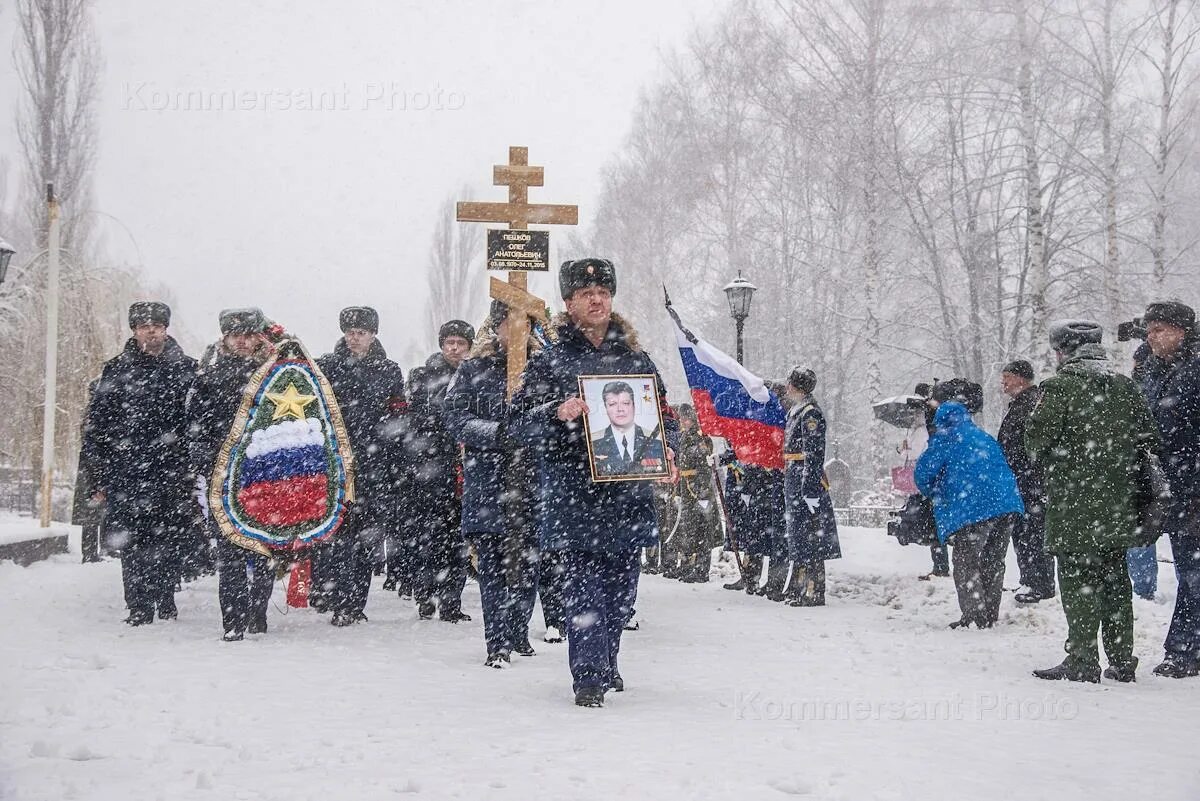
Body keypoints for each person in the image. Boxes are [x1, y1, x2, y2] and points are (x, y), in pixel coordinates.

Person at [510, 257, 678, 707]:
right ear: (569, 303)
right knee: (584, 590)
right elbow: (518, 421)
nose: (597, 299)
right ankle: (587, 676)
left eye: (603, 291)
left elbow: (664, 415)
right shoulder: (551, 359)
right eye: (586, 294)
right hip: (573, 495)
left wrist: (670, 452)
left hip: (628, 494)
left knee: (622, 594)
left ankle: (608, 660)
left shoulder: (636, 358)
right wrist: (555, 412)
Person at [1027, 320, 1158, 682]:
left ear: (1061, 352)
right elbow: (1150, 440)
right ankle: (1122, 661)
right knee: (1117, 581)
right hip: (1118, 506)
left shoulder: (1058, 388)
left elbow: (1036, 444)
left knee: (1078, 580)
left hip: (1074, 507)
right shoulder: (1126, 389)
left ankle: (1083, 660)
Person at [82, 302, 197, 625]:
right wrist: (99, 478)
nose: (151, 331)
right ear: (134, 330)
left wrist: (191, 467)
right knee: (132, 543)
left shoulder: (187, 369)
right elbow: (98, 428)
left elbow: (196, 422)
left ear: (166, 329)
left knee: (170, 540)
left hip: (172, 473)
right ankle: (138, 605)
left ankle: (165, 597)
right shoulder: (116, 371)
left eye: (157, 325)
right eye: (145, 325)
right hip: (126, 473)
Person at [443, 300, 540, 667]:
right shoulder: (473, 369)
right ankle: (497, 640)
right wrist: (497, 433)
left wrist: (532, 433)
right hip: (488, 481)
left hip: (533, 479)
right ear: (496, 327)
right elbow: (455, 417)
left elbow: (556, 416)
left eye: (523, 325)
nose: (515, 333)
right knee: (494, 564)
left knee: (530, 561)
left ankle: (519, 630)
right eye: (508, 325)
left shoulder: (543, 367)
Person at [186, 308, 277, 641]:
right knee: (229, 550)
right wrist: (208, 461)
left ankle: (258, 610)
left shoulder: (274, 371)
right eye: (236, 334)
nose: (243, 341)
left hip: (265, 475)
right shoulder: (208, 374)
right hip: (223, 475)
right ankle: (233, 619)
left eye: (250, 334)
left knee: (264, 547)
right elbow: (196, 424)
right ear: (224, 336)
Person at [315, 306, 408, 627]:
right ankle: (337, 598)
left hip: (374, 463)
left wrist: (393, 459)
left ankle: (356, 601)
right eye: (350, 332)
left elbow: (398, 417)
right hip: (337, 462)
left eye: (361, 333)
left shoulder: (388, 370)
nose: (354, 338)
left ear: (373, 335)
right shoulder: (326, 367)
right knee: (338, 534)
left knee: (367, 536)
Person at [915, 400, 1023, 630]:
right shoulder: (982, 436)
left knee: (966, 561)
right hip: (1007, 504)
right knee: (993, 560)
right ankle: (989, 614)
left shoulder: (945, 438)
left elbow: (923, 474)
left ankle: (974, 616)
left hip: (974, 508)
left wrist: (934, 493)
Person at [1136, 301, 1200, 678]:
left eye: (1159, 329)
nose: (1151, 336)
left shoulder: (1192, 371)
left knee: (1192, 571)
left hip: (1192, 486)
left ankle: (1185, 649)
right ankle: (1185, 646)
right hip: (1174, 486)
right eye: (1148, 331)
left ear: (1182, 330)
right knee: (1188, 569)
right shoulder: (1156, 372)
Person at [405, 319, 475, 622]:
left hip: (463, 470)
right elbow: (416, 420)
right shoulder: (423, 376)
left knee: (458, 541)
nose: (455, 348)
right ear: (441, 345)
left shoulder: (475, 375)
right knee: (429, 538)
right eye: (450, 343)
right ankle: (425, 594)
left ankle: (451, 602)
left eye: (461, 343)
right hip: (431, 470)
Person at [781, 368, 842, 607]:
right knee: (799, 537)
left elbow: (814, 455)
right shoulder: (798, 412)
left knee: (810, 539)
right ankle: (799, 587)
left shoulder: (810, 414)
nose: (787, 388)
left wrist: (810, 491)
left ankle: (813, 590)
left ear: (799, 387)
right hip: (795, 478)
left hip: (804, 480)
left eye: (790, 384)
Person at [997, 360, 1056, 604]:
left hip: (1030, 483)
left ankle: (1038, 584)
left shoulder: (1031, 404)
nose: (1004, 383)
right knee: (1025, 535)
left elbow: (1029, 446)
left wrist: (1022, 472)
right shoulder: (1022, 404)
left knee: (1031, 535)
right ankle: (1031, 580)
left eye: (1007, 378)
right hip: (1024, 482)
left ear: (1022, 378)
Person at [670, 404, 722, 583]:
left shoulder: (701, 438)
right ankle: (690, 566)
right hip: (686, 488)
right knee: (689, 530)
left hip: (699, 489)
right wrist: (678, 490)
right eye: (682, 418)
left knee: (703, 531)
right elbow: (682, 467)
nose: (683, 421)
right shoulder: (685, 436)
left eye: (686, 418)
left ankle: (701, 569)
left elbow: (704, 467)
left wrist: (702, 493)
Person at [590, 381, 666, 476]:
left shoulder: (656, 441)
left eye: (625, 403)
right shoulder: (593, 445)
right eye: (612, 404)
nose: (620, 409)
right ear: (605, 408)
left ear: (634, 405)